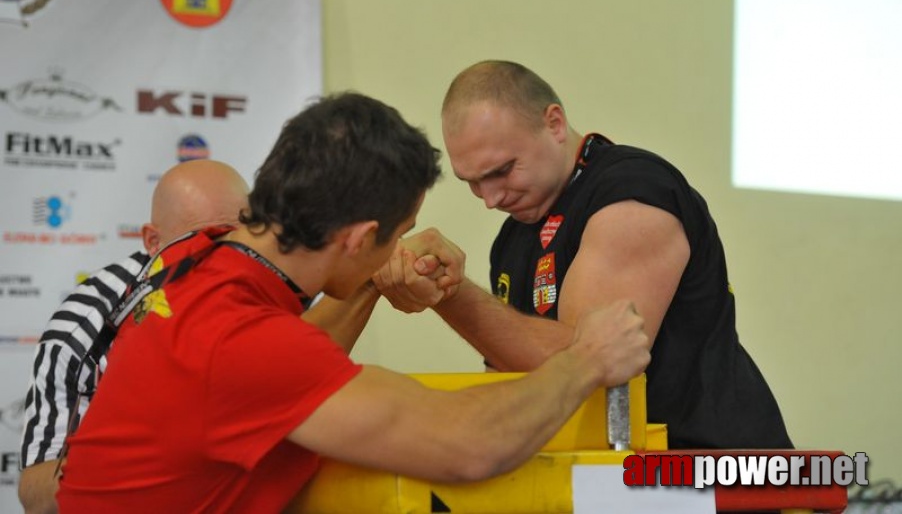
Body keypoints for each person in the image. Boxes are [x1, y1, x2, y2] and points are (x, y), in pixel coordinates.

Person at [54, 92, 650, 513]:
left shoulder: (200, 262)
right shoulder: (240, 339)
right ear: (361, 237)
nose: (398, 246)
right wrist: (585, 360)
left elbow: (286, 371)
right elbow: (466, 443)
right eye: (397, 233)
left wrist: (368, 281)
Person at [375, 60, 793, 449]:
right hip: (619, 479)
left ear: (554, 123)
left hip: (716, 476)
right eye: (472, 182)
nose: (490, 198)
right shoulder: (514, 236)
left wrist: (448, 290)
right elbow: (521, 387)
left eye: (501, 171)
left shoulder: (633, 193)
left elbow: (588, 360)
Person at [18, 159, 251, 514]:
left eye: (236, 241)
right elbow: (37, 493)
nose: (224, 265)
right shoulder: (85, 325)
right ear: (154, 242)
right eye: (203, 246)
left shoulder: (270, 286)